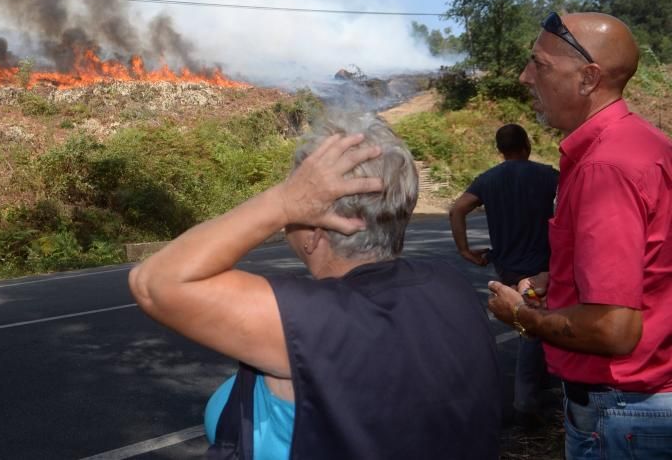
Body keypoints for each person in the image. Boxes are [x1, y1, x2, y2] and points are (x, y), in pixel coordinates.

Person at [130, 113, 501, 459]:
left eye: (300, 195)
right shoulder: (452, 288)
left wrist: (282, 202)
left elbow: (153, 283)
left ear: (314, 232)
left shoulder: (311, 320)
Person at [487, 12, 672, 460]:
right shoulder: (645, 143)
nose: (524, 76)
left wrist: (521, 317)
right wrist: (565, 275)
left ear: (589, 78)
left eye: (540, 65)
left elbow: (614, 329)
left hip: (620, 415)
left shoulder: (603, 167)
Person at [450, 123, 558, 421]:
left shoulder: (488, 180)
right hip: (541, 267)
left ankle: (539, 385)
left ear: (500, 150)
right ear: (527, 145)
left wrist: (465, 250)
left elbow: (457, 209)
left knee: (531, 326)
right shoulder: (547, 175)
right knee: (532, 329)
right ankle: (525, 402)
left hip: (507, 267)